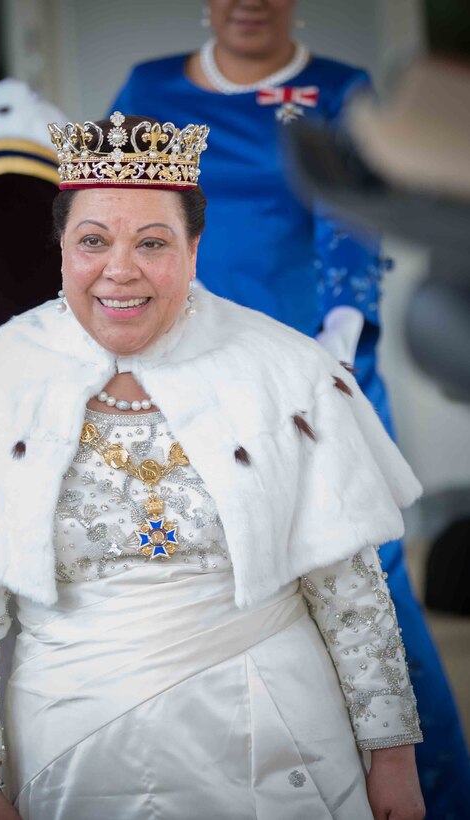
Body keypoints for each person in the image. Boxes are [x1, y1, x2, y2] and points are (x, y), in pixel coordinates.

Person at [0, 113, 426, 820]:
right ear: (60, 248)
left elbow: (350, 595)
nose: (120, 270)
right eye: (93, 242)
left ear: (193, 248)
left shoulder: (286, 370)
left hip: (279, 739)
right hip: (66, 749)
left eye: (152, 243)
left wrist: (392, 761)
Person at [110, 2, 470, 812]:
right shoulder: (152, 87)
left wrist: (336, 344)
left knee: (367, 587)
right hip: (192, 372)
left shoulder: (340, 88)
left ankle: (435, 796)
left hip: (324, 370)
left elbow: (349, 217)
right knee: (212, 579)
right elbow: (124, 212)